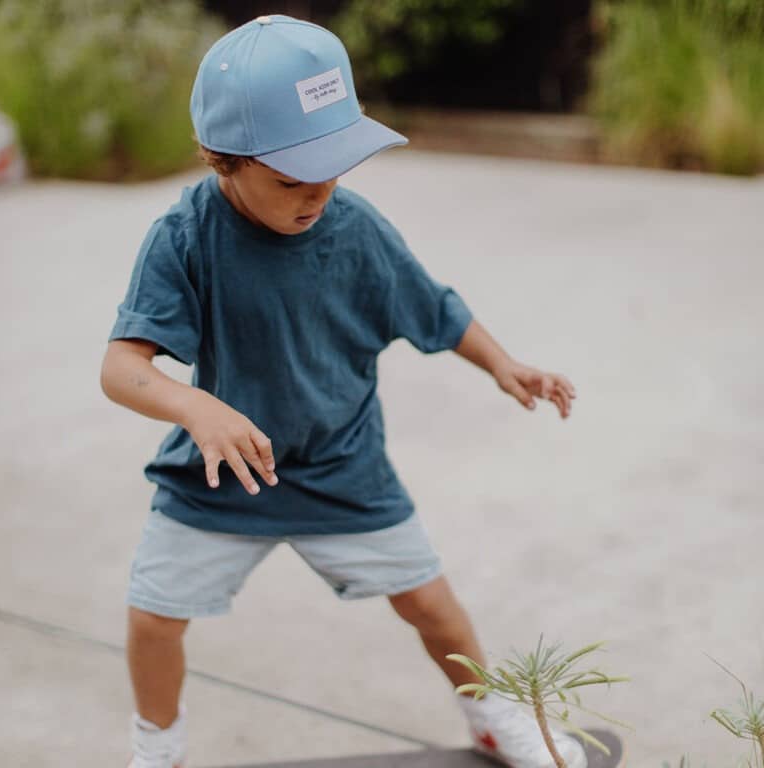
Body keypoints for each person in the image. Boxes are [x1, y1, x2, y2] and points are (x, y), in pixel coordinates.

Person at [101, 14, 580, 768]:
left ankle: (489, 716)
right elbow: (121, 367)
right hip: (226, 478)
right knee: (154, 616)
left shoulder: (355, 230)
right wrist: (194, 406)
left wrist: (503, 364)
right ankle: (156, 747)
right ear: (225, 161)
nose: (319, 192)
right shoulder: (186, 235)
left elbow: (436, 307)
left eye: (335, 167)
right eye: (293, 178)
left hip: (343, 467)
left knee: (432, 607)